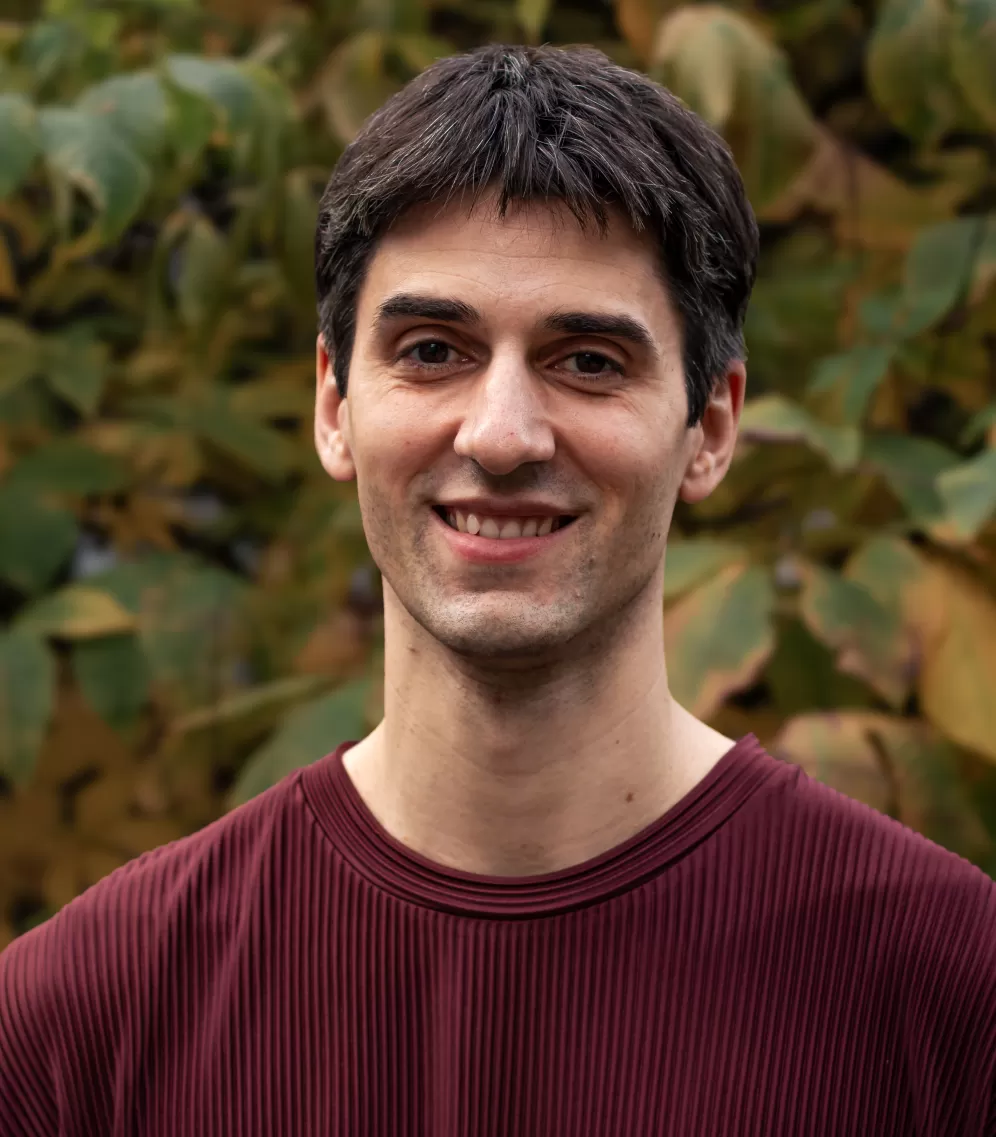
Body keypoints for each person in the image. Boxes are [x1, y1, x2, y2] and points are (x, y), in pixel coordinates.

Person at [2, 42, 995, 1137]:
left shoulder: (950, 991)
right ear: (334, 406)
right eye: (433, 350)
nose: (503, 435)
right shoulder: (78, 1024)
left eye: (588, 362)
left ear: (711, 427)